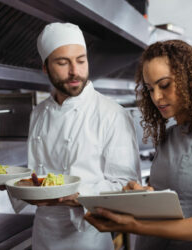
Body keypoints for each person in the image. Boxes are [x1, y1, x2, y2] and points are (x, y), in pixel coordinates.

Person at [84, 39, 192, 250]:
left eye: (165, 85)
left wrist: (138, 225)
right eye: (150, 89)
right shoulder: (169, 134)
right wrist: (140, 197)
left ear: (188, 79)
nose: (157, 97)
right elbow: (173, 199)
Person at [9, 22, 141, 250]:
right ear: (45, 67)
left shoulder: (111, 114)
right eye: (62, 62)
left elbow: (127, 187)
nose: (75, 71)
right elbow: (35, 177)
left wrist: (77, 195)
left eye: (81, 60)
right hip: (43, 235)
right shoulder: (39, 113)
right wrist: (9, 185)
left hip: (88, 239)